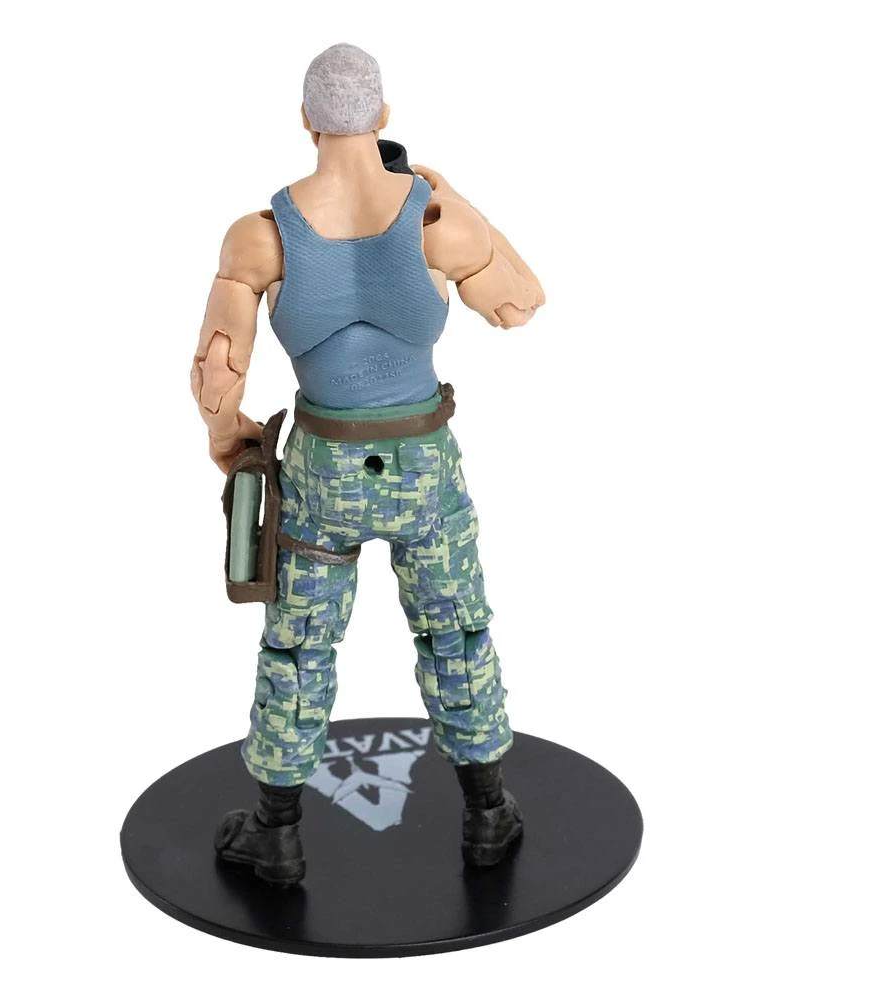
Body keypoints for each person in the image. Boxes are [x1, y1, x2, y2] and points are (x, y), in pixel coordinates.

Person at [191, 43, 544, 886]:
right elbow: (519, 304)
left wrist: (227, 441)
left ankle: (276, 833)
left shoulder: (261, 236)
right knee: (455, 626)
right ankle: (487, 814)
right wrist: (450, 196)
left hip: (323, 466)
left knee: (299, 644)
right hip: (423, 461)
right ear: (383, 117)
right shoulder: (436, 222)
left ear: (305, 120)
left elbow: (218, 370)